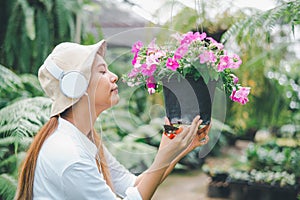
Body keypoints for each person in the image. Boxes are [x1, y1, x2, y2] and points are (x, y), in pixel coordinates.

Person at [15, 40, 211, 200]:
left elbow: (132, 185)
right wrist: (165, 155)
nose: (114, 76)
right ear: (75, 86)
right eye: (102, 72)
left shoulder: (85, 139)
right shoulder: (70, 156)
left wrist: (180, 148)